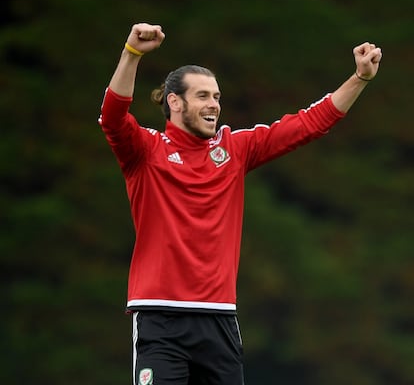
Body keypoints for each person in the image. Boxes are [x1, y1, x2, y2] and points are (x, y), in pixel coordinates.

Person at [99, 23, 382, 385]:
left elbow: (308, 123)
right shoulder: (145, 151)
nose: (214, 105)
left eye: (216, 97)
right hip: (160, 318)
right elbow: (112, 118)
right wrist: (132, 54)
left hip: (220, 319)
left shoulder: (234, 148)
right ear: (175, 102)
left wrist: (359, 78)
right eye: (202, 96)